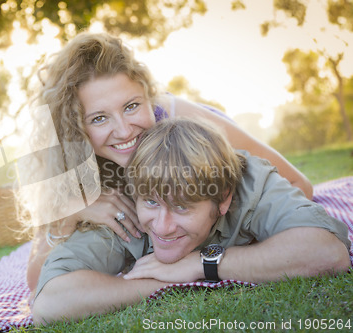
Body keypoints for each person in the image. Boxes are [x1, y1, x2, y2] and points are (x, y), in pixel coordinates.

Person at [25, 31, 314, 292]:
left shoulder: (186, 121)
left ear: (148, 96)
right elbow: (37, 283)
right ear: (75, 127)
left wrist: (201, 258)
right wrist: (73, 213)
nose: (125, 131)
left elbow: (300, 185)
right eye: (99, 118)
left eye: (131, 106)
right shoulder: (68, 162)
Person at [31, 118, 351, 325]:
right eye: (153, 202)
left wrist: (203, 264)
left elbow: (328, 253)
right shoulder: (131, 207)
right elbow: (50, 302)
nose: (162, 226)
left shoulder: (251, 182)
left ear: (223, 197)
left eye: (182, 207)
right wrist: (160, 281)